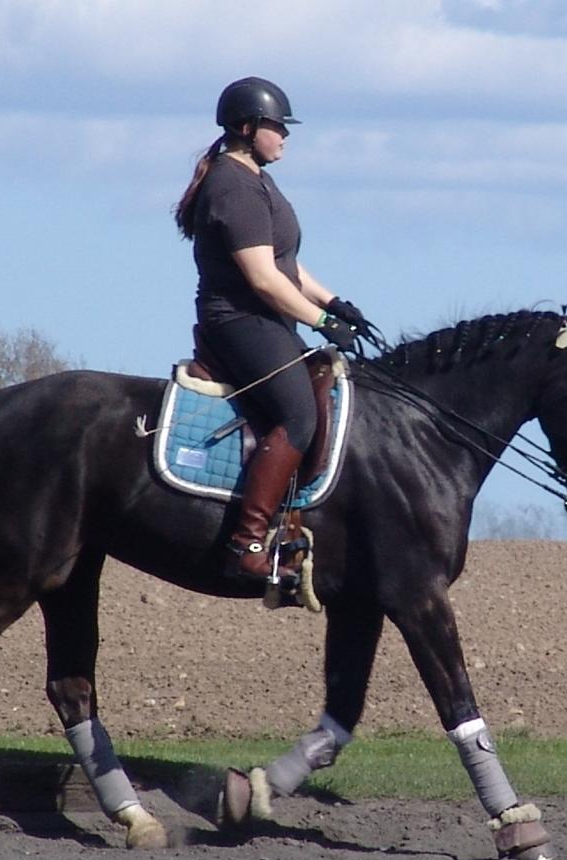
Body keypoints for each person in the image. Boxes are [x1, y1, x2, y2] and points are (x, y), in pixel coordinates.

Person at [174, 76, 370, 582]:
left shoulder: (258, 179)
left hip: (269, 318)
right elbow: (262, 279)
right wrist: (322, 323)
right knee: (299, 415)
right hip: (238, 321)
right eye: (277, 125)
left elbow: (286, 264)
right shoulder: (230, 185)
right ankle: (249, 542)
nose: (285, 135)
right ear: (246, 127)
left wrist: (335, 302)